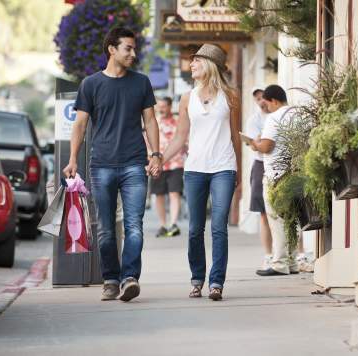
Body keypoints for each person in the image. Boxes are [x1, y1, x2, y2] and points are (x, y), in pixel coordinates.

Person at [63, 27, 161, 302]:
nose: (133, 53)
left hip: (134, 164)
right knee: (105, 228)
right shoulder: (91, 84)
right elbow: (80, 124)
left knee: (134, 226)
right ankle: (110, 279)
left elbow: (150, 121)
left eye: (134, 48)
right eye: (128, 48)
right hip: (101, 165)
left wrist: (156, 154)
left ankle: (130, 278)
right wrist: (72, 159)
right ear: (112, 50)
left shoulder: (141, 82)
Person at [161, 44, 241, 301]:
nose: (191, 65)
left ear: (208, 65)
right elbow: (180, 137)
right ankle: (197, 279)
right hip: (195, 169)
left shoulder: (230, 96)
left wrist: (237, 169)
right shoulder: (187, 98)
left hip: (223, 167)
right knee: (195, 228)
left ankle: (216, 282)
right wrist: (159, 159)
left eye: (195, 61)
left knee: (218, 226)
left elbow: (235, 136)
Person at [249, 85, 299, 276]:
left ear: (274, 101)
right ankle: (292, 261)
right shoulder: (298, 113)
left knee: (277, 218)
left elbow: (268, 146)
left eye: (267, 103)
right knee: (292, 218)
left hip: (276, 175)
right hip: (296, 172)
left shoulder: (274, 117)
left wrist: (255, 144)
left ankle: (279, 263)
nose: (266, 107)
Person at [246, 87, 273, 270]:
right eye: (258, 99)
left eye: (264, 97)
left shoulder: (278, 115)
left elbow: (261, 143)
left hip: (280, 163)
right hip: (261, 165)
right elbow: (254, 145)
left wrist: (261, 142)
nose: (261, 101)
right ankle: (269, 254)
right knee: (263, 212)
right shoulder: (254, 120)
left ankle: (298, 253)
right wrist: (259, 144)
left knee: (289, 211)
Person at [151, 97, 185, 238]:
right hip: (157, 164)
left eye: (164, 106)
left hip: (176, 163)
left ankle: (173, 223)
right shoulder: (154, 122)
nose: (161, 109)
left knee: (174, 193)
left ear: (170, 106)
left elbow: (185, 140)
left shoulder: (178, 122)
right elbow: (147, 141)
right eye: (159, 106)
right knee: (159, 194)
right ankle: (163, 225)